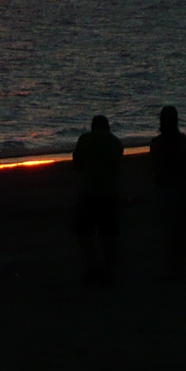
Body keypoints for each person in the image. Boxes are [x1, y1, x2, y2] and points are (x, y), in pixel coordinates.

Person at [71, 114, 123, 283]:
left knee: (84, 234)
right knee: (108, 236)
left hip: (88, 192)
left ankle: (91, 267)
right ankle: (109, 271)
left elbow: (76, 165)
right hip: (109, 193)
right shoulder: (116, 143)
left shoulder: (85, 140)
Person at [149, 105, 186, 279]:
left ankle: (173, 267)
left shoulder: (156, 144)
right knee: (182, 231)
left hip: (166, 189)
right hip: (182, 188)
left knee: (170, 232)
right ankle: (180, 267)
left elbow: (154, 167)